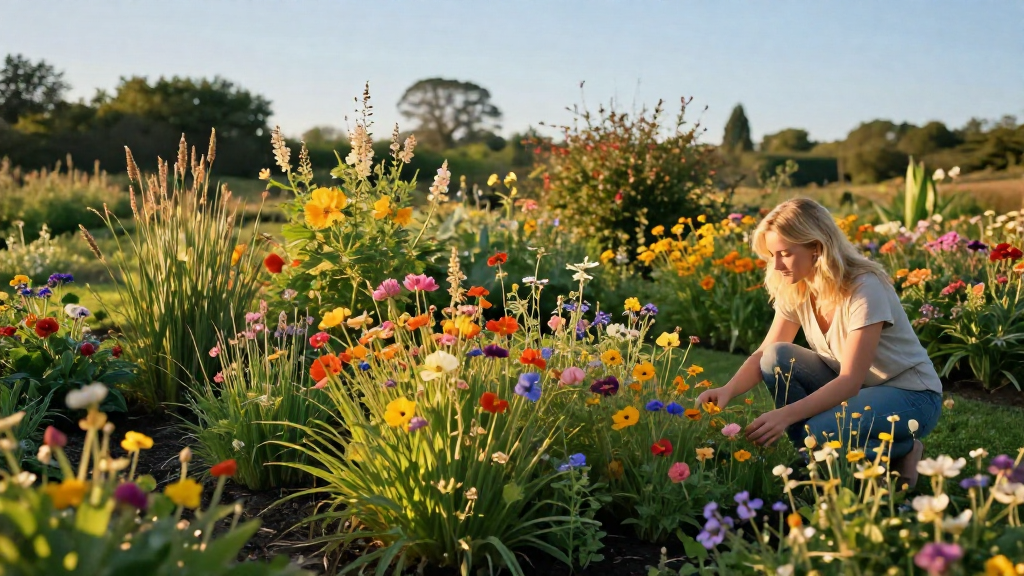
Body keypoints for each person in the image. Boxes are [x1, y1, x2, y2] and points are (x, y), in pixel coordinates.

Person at [695, 198, 943, 488]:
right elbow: (764, 352)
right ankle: (816, 458)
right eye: (772, 255)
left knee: (818, 432)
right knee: (775, 357)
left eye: (785, 254)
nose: (777, 265)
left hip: (911, 395)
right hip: (860, 390)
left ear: (816, 247)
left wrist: (784, 416)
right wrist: (728, 390)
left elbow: (850, 381)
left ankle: (903, 449)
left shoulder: (865, 288)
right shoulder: (799, 286)